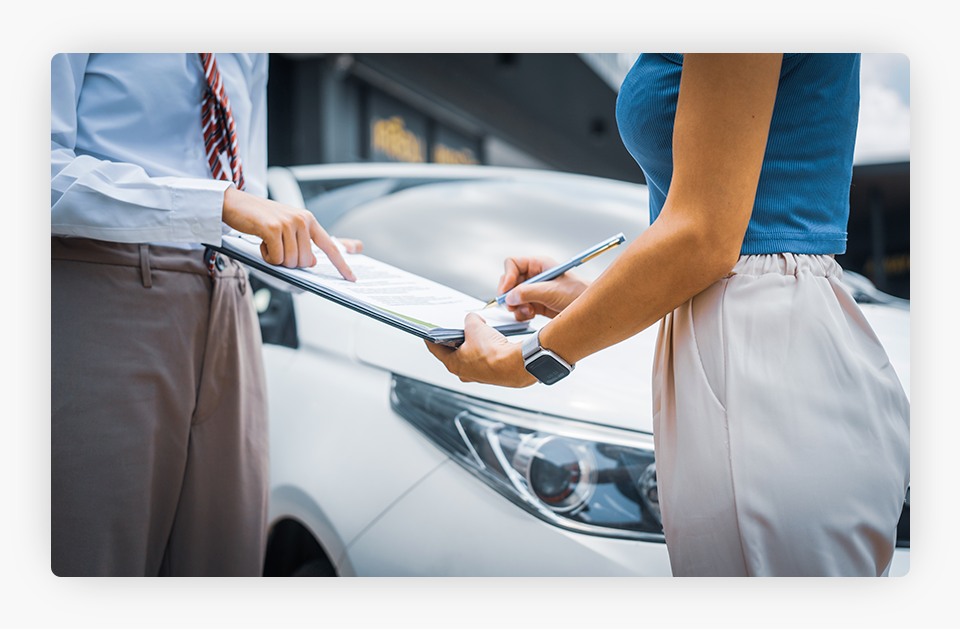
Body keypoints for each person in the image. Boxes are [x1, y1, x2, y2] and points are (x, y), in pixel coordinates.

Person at [426, 54, 910, 577]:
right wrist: (588, 299)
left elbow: (703, 238)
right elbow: (713, 257)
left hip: (765, 369)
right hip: (772, 353)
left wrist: (527, 360)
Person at [51, 53, 359, 576]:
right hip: (105, 291)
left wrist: (298, 258)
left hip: (232, 304)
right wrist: (214, 204)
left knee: (223, 566)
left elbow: (246, 196)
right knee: (90, 562)